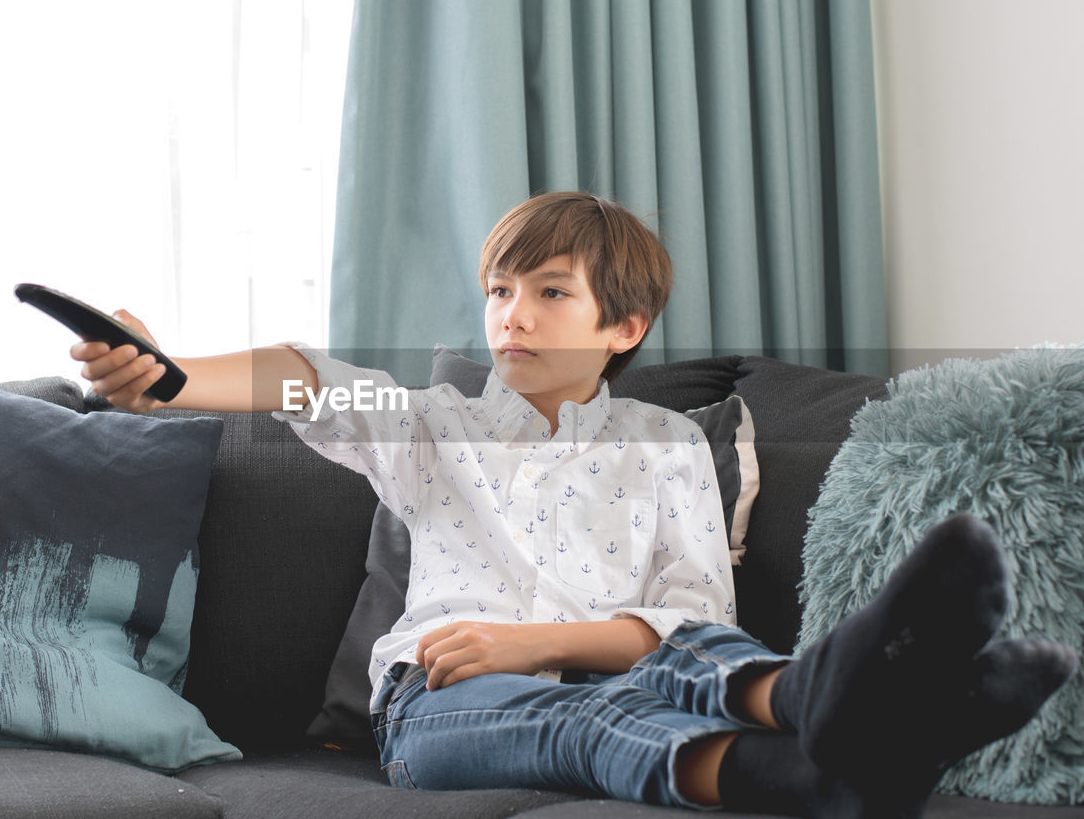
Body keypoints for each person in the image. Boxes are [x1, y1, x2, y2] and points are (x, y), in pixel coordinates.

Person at [71, 191, 1075, 817]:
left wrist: (531, 636)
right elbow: (308, 375)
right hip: (442, 707)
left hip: (644, 674)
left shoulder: (666, 444)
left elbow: (692, 613)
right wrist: (168, 376)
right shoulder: (429, 423)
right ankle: (841, 747)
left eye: (548, 292)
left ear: (621, 323)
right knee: (584, 719)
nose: (512, 314)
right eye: (499, 289)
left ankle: (831, 706)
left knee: (685, 654)